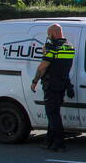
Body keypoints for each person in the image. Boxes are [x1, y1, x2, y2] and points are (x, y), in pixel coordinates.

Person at [30, 24, 75, 152]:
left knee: (53, 115)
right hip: (62, 85)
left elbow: (42, 67)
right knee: (54, 113)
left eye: (49, 35)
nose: (48, 37)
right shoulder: (69, 47)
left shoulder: (53, 50)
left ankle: (59, 142)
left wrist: (34, 81)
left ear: (53, 34)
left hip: (51, 85)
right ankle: (48, 140)